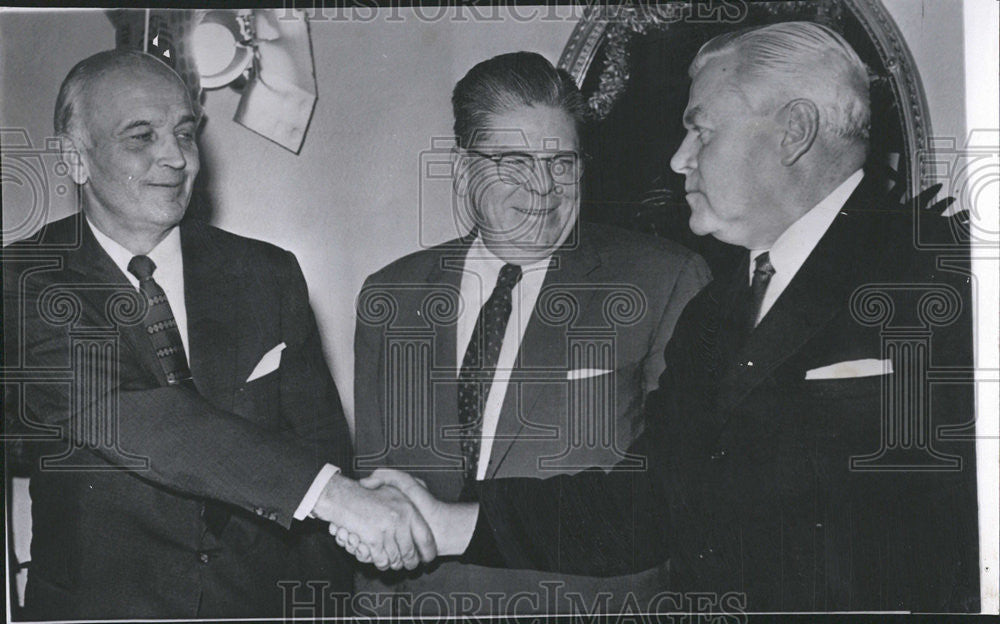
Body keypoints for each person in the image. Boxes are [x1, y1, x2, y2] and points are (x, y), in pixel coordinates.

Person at [345, 23, 980, 612]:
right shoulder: (723, 306)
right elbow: (656, 505)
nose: (678, 159)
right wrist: (440, 520)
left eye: (701, 130)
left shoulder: (950, 276)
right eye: (514, 162)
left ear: (793, 132)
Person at [2, 49, 434, 620]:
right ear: (74, 157)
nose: (175, 158)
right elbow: (138, 416)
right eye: (141, 137)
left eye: (185, 133)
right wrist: (341, 498)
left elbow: (320, 444)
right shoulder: (24, 281)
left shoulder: (267, 273)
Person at [351, 51, 710, 615]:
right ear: (465, 168)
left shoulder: (664, 279)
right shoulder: (390, 295)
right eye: (515, 161)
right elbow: (377, 489)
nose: (544, 188)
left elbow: (677, 500)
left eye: (562, 162)